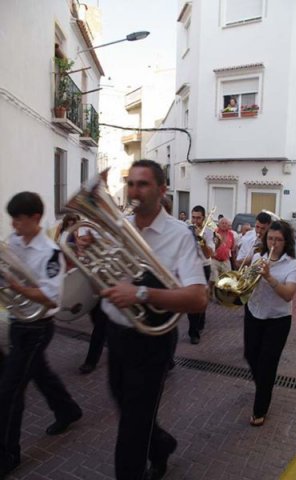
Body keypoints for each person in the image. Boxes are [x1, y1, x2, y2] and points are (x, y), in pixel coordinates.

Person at [99, 160, 207, 480]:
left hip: (152, 341)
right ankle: (161, 445)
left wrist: (142, 294)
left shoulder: (180, 235)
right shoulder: (120, 225)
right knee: (127, 407)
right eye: (130, 183)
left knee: (131, 427)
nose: (134, 190)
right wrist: (92, 246)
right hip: (116, 333)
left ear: (162, 190)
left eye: (143, 184)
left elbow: (198, 298)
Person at [0, 192, 82, 478]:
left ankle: (9, 454)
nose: (13, 225)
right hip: (18, 320)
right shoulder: (14, 242)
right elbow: (8, 273)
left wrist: (15, 286)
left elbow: (51, 298)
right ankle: (68, 410)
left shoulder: (51, 253)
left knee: (10, 391)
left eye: (18, 219)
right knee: (40, 373)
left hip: (37, 327)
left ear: (35, 218)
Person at [244, 220, 296, 426]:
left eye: (278, 240)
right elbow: (248, 286)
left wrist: (269, 277)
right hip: (254, 312)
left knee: (267, 364)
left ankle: (260, 409)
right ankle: (264, 386)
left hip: (277, 320)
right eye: (270, 239)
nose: (273, 243)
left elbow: (288, 295)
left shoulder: (293, 265)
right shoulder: (258, 258)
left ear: (286, 242)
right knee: (250, 355)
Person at [187, 205, 214, 344]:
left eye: (198, 218)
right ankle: (194, 329)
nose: (195, 221)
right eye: (193, 217)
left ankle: (197, 326)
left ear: (203, 218)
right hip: (190, 267)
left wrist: (201, 239)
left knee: (201, 298)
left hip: (204, 267)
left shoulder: (208, 232)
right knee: (190, 299)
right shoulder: (186, 230)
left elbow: (208, 254)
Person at [209, 217, 236, 299]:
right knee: (214, 278)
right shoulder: (214, 232)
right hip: (215, 259)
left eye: (226, 223)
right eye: (222, 223)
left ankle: (222, 296)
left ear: (228, 225)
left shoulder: (231, 234)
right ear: (219, 224)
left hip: (225, 260)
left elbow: (233, 248)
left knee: (227, 278)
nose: (224, 225)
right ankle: (210, 291)